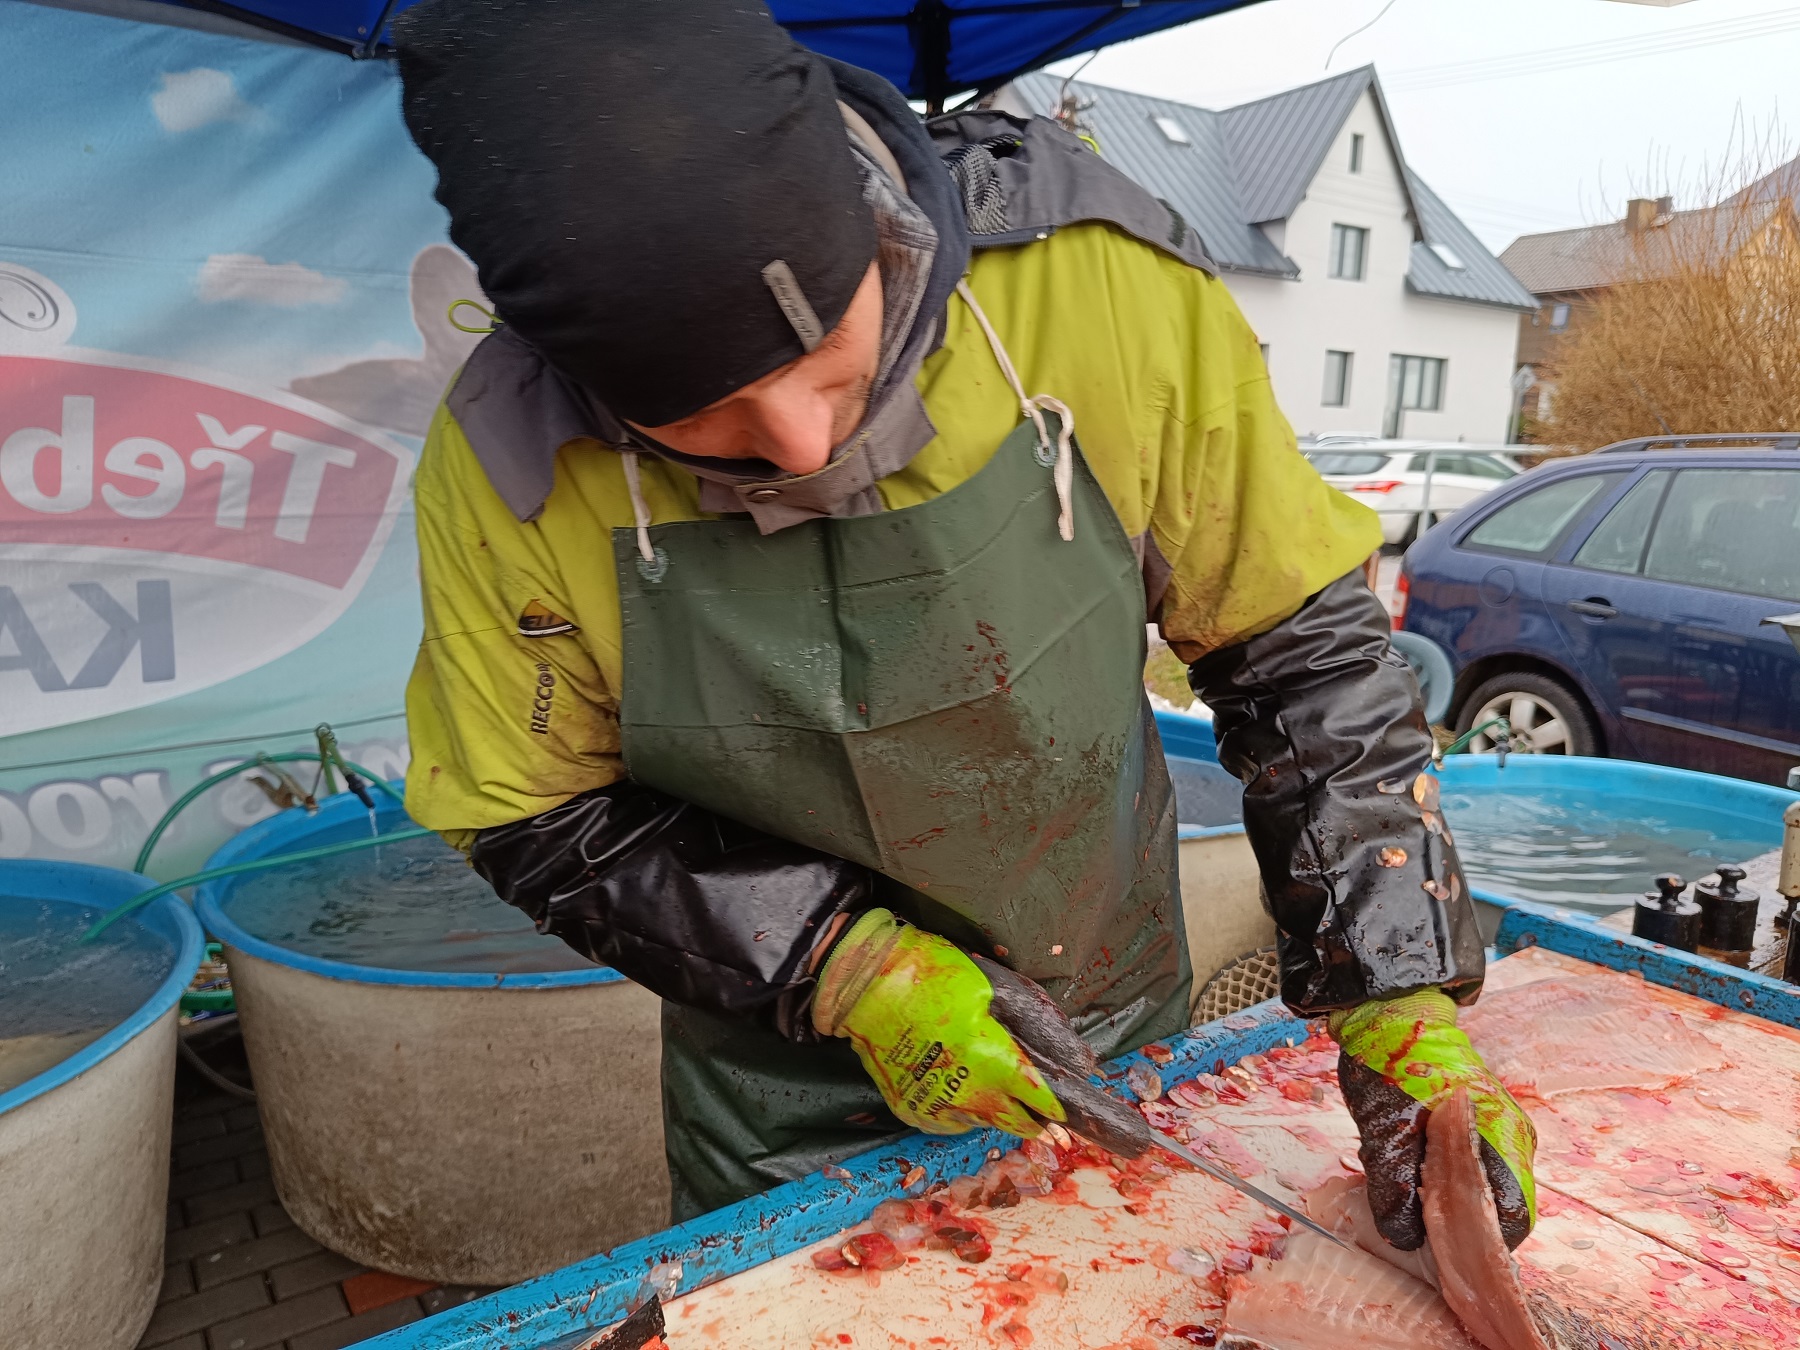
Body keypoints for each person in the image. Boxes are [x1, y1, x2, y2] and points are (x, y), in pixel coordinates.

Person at [392, 0, 1536, 1253]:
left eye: (826, 358)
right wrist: (843, 967)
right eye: (705, 422)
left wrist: (1397, 988)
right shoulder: (505, 469)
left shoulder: (1099, 290)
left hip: (1110, 1032)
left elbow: (1297, 655)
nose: (804, 449)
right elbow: (535, 815)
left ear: (869, 226)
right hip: (775, 1101)